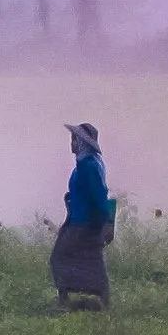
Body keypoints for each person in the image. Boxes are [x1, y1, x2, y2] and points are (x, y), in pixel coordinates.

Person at [49, 122, 115, 309]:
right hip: (82, 220)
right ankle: (100, 300)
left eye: (74, 139)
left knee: (60, 257)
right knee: (90, 259)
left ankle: (66, 301)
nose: (71, 143)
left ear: (81, 143)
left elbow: (98, 193)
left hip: (85, 222)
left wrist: (103, 220)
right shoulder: (87, 163)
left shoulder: (88, 165)